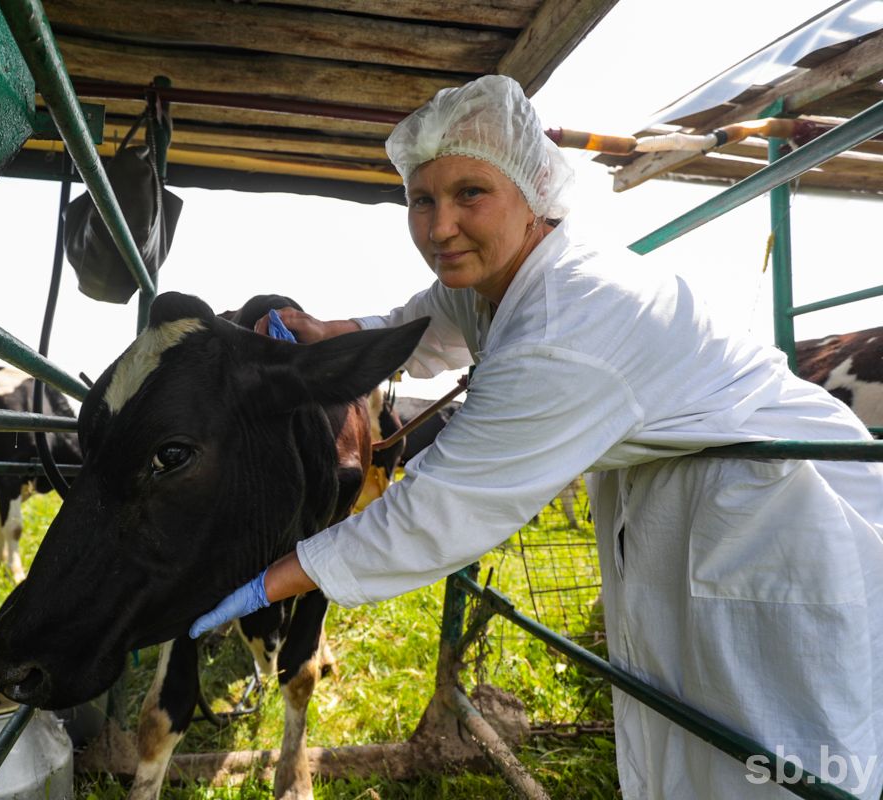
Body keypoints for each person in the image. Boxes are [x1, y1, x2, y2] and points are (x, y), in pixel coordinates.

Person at [189, 74, 883, 799]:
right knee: (703, 744)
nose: (439, 226)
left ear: (533, 192)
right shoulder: (500, 273)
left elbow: (434, 512)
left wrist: (259, 581)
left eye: (470, 195)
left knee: (788, 761)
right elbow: (431, 321)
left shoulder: (565, 324)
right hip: (691, 497)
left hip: (784, 512)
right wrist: (331, 332)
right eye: (422, 199)